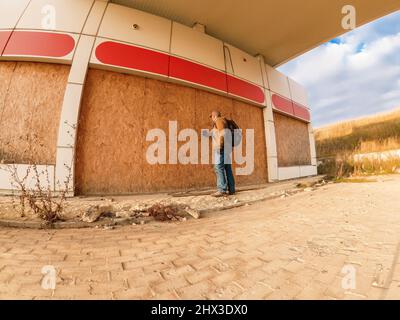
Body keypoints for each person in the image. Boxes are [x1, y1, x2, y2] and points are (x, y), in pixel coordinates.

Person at [209, 111, 236, 197]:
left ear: (214, 116)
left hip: (222, 148)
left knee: (218, 167)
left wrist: (220, 146)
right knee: (227, 168)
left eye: (212, 117)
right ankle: (231, 189)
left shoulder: (219, 121)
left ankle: (221, 189)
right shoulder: (223, 121)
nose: (212, 119)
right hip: (227, 148)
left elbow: (222, 133)